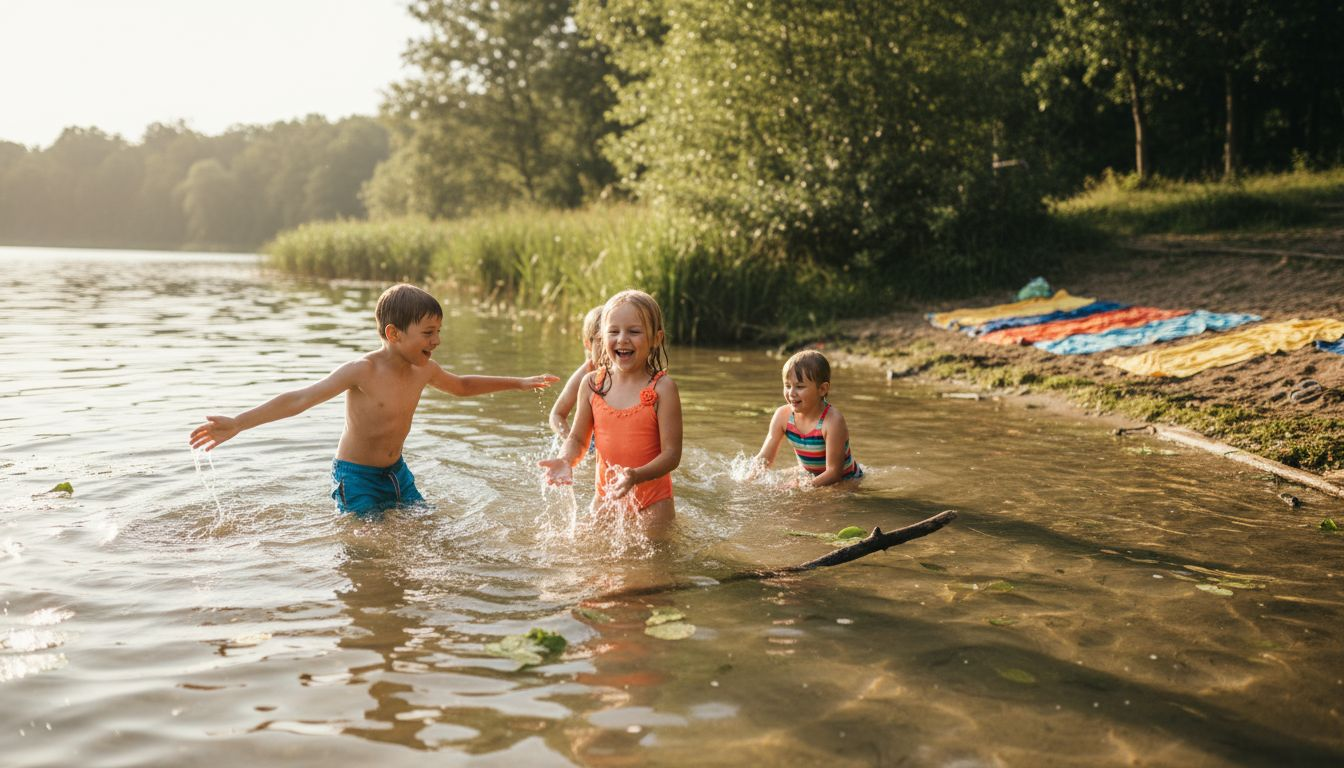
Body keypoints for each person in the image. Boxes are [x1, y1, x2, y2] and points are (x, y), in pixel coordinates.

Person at [188, 284, 558, 516]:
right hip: (357, 476)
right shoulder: (361, 371)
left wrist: (519, 383)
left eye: (439, 332)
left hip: (397, 473)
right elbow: (300, 398)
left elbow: (462, 386)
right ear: (394, 333)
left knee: (426, 526)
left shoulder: (424, 370)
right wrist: (238, 422)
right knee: (370, 545)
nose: (437, 341)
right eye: (428, 333)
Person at [539, 289, 683, 535]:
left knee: (647, 569)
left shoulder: (663, 388)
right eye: (613, 331)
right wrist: (565, 460)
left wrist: (635, 476)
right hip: (605, 500)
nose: (622, 339)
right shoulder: (592, 384)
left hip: (653, 503)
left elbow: (672, 455)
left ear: (656, 338)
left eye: (634, 331)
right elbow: (576, 439)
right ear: (600, 337)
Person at [753, 349, 862, 486]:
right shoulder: (783, 416)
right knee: (777, 481)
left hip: (845, 481)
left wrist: (801, 486)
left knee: (829, 501)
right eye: (787, 386)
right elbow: (764, 458)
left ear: (822, 389)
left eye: (799, 387)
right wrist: (748, 480)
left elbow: (834, 473)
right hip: (809, 473)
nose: (791, 393)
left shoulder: (832, 421)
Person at [548, 304, 604, 440]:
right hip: (590, 440)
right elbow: (556, 414)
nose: (608, 347)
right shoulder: (586, 373)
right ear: (588, 344)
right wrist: (570, 441)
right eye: (601, 341)